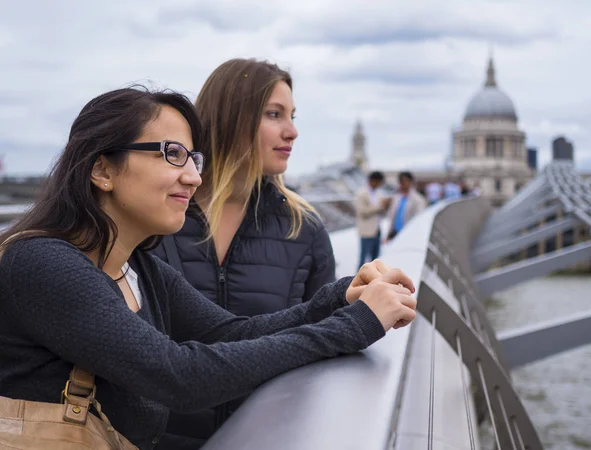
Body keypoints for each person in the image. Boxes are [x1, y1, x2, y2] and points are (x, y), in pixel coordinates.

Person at [0, 87, 418, 450]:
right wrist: (354, 326)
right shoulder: (41, 263)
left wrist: (340, 300)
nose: (194, 177)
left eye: (194, 159)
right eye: (173, 155)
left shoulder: (138, 268)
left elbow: (231, 332)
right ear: (102, 170)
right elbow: (179, 376)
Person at [151, 59, 337, 445]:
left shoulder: (304, 229)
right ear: (229, 118)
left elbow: (321, 347)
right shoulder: (156, 220)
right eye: (274, 114)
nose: (292, 131)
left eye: (292, 115)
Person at [354, 171, 390, 269]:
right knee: (363, 259)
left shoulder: (378, 193)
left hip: (376, 230)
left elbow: (380, 211)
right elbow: (362, 211)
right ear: (373, 181)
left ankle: (372, 281)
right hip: (366, 231)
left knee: (376, 260)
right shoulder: (361, 193)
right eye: (379, 182)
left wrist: (385, 206)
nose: (379, 185)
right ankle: (357, 281)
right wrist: (380, 206)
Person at [385, 171, 427, 242]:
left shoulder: (418, 199)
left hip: (409, 234)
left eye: (405, 181)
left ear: (411, 182)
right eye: (401, 181)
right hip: (395, 233)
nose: (403, 183)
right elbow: (391, 216)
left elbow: (420, 219)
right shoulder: (396, 197)